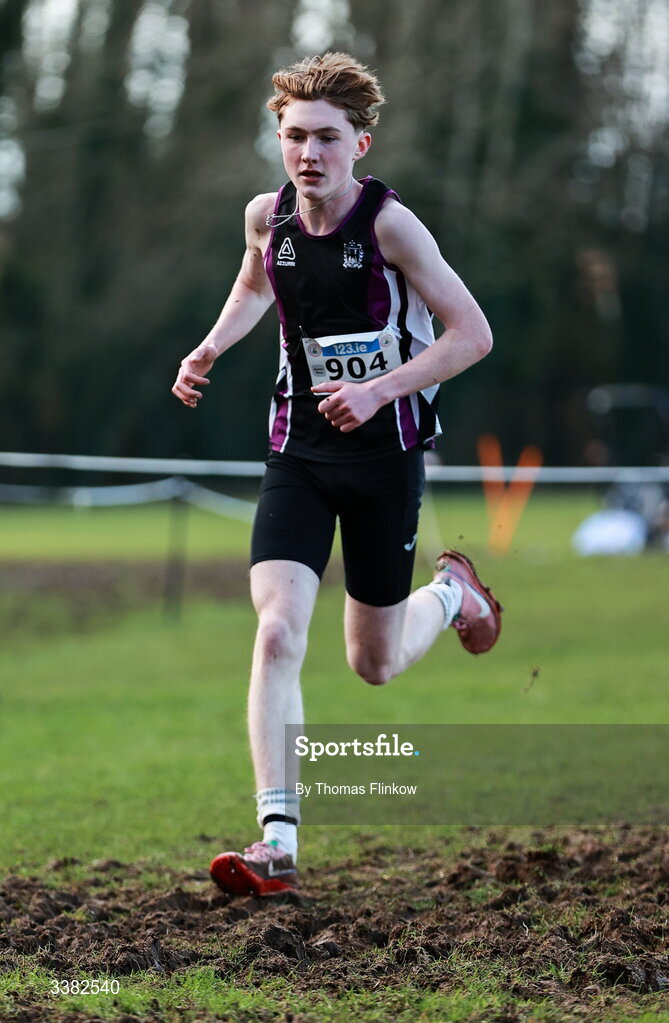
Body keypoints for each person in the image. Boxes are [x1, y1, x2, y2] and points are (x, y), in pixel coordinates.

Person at [172, 52, 502, 897]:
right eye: (292, 137)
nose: (307, 153)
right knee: (278, 629)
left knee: (374, 662)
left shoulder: (391, 227)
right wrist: (212, 345)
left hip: (384, 457)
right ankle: (276, 838)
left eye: (324, 137)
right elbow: (253, 287)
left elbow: (471, 335)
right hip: (297, 452)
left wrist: (379, 387)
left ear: (359, 141)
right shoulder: (264, 217)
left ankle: (453, 594)